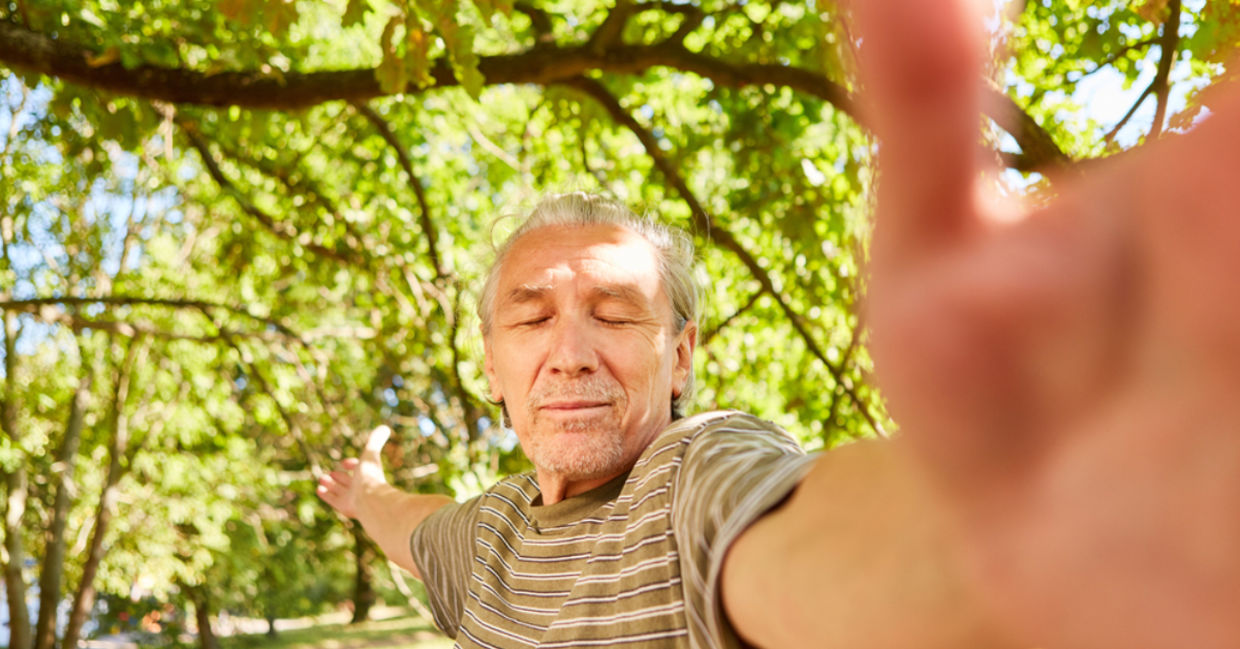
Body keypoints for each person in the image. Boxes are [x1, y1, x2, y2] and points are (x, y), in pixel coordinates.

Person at [317, 0, 1240, 647]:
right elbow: (412, 523)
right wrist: (362, 492)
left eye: (614, 313)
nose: (569, 351)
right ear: (490, 361)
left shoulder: (692, 475)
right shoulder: (483, 541)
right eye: (531, 317)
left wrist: (1000, 550)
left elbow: (796, 540)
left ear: (680, 358)